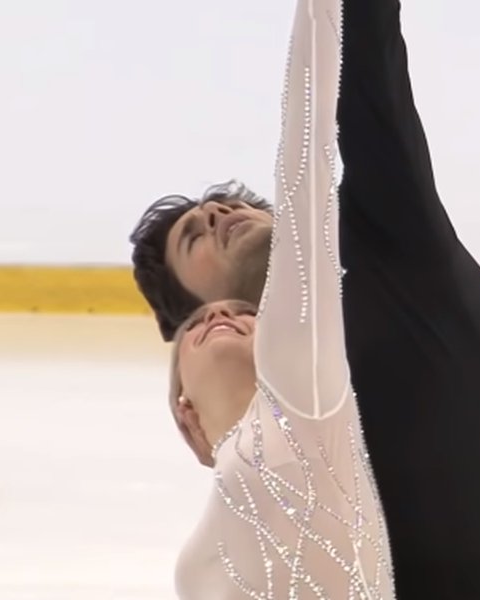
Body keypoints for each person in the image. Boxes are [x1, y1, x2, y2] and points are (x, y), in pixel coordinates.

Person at [131, 0, 480, 597]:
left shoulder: (386, 239)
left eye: (231, 203)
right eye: (193, 237)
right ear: (194, 320)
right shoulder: (251, 429)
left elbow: (367, 78)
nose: (218, 213)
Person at [167, 0, 396, 597]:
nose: (221, 313)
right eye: (198, 324)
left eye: (246, 315)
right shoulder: (193, 566)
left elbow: (305, 170)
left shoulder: (302, 397)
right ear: (185, 416)